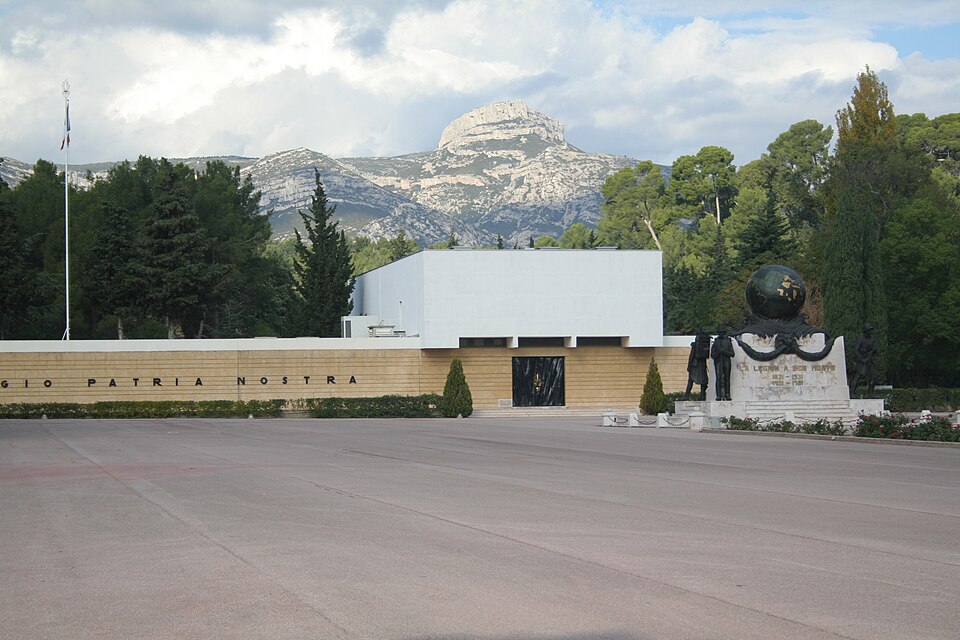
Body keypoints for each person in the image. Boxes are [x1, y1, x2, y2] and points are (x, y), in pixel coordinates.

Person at [848, 323, 877, 395]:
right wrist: (861, 359)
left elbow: (873, 350)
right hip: (861, 360)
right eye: (869, 330)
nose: (871, 331)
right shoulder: (861, 339)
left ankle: (870, 394)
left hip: (869, 360)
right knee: (858, 377)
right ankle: (852, 393)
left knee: (874, 376)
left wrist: (874, 350)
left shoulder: (872, 339)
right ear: (866, 331)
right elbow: (856, 350)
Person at [684, 331, 711, 401]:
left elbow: (692, 355)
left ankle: (687, 395)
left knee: (691, 380)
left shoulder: (695, 345)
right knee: (703, 380)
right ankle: (702, 395)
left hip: (695, 364)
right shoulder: (706, 345)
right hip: (701, 363)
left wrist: (689, 365)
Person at [711, 330, 735, 401]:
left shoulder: (728, 342)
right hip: (718, 362)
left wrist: (724, 351)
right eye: (719, 332)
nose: (721, 334)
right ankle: (718, 395)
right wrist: (719, 352)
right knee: (718, 378)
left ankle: (727, 394)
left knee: (727, 378)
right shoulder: (715, 342)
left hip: (726, 361)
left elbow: (732, 354)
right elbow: (712, 355)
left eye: (722, 332)